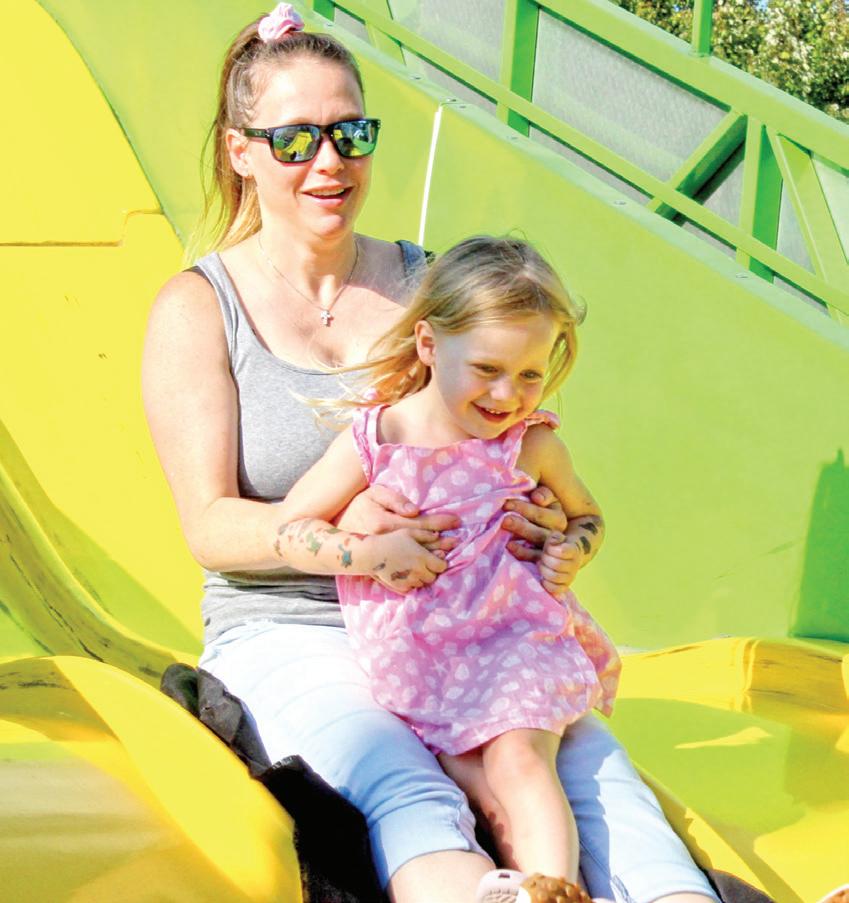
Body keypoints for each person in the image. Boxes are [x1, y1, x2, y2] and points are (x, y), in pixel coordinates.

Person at [141, 4, 720, 902]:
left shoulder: (432, 283)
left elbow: (509, 440)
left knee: (594, 779)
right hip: (294, 621)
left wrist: (544, 527)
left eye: (351, 133)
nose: (329, 162)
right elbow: (210, 526)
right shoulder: (199, 308)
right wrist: (353, 539)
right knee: (398, 775)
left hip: (467, 618)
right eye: (294, 139)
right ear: (239, 151)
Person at [276, 235, 621, 901]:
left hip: (514, 637)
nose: (508, 395)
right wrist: (370, 555)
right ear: (430, 345)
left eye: (530, 375)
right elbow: (292, 530)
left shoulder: (531, 444)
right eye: (488, 368)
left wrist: (571, 549)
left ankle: (556, 889)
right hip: (420, 655)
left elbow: (588, 517)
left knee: (518, 759)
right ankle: (532, 888)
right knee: (481, 787)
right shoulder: (378, 440)